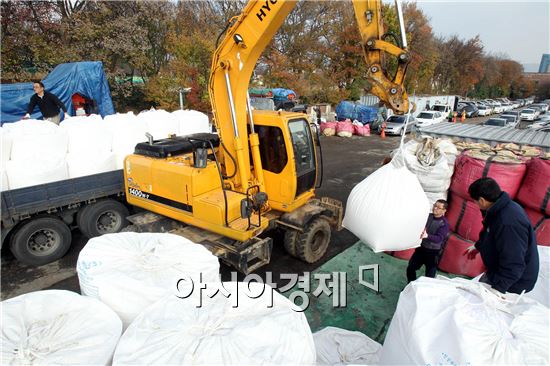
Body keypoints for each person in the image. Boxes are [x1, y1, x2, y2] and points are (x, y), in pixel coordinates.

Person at [465, 178, 539, 295]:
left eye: (475, 201)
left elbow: (514, 260)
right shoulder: (497, 209)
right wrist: (479, 246)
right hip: (498, 271)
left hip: (513, 282)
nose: (475, 204)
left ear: (482, 200)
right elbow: (490, 233)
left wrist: (498, 289)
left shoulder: (507, 222)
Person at [406, 200, 450, 282]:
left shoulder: (444, 224)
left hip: (432, 253)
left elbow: (439, 238)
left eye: (438, 207)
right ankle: (410, 286)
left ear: (444, 210)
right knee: (411, 268)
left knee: (429, 277)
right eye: (435, 206)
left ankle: (425, 293)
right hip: (421, 248)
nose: (435, 208)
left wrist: (427, 236)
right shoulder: (428, 216)